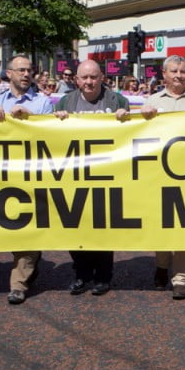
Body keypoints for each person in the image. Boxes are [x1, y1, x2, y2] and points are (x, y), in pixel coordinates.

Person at [54, 60, 130, 296]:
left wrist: (125, 117)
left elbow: (132, 132)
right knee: (75, 226)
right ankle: (81, 275)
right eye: (84, 78)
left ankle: (103, 277)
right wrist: (56, 119)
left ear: (102, 78)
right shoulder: (66, 101)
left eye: (93, 77)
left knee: (103, 228)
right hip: (74, 174)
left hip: (107, 173)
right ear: (76, 80)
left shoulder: (116, 100)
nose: (89, 82)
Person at [0, 54, 55, 304]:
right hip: (3, 176)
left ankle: (19, 283)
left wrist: (31, 119)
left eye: (30, 70)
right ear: (9, 74)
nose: (26, 74)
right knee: (11, 227)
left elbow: (53, 135)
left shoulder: (42, 103)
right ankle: (30, 263)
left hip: (34, 175)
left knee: (27, 227)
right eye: (21, 70)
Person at [140, 55, 185, 299]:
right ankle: (161, 263)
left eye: (183, 71)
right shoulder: (152, 100)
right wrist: (143, 115)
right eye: (174, 71)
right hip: (160, 174)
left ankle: (181, 277)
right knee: (161, 224)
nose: (179, 75)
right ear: (164, 74)